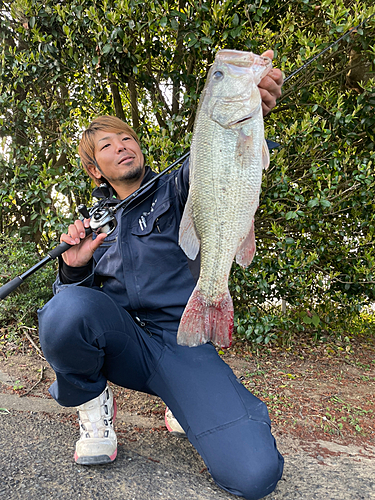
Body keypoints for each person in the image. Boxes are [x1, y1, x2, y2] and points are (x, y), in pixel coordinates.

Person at [38, 51, 284, 500]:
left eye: (127, 138)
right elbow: (75, 314)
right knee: (63, 311)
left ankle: (183, 397)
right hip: (124, 344)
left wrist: (258, 109)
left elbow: (221, 163)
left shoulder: (177, 185)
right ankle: (93, 404)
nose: (122, 146)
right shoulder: (91, 220)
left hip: (179, 340)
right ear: (95, 169)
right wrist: (72, 268)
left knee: (254, 474)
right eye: (107, 146)